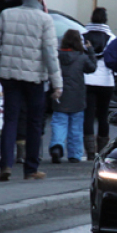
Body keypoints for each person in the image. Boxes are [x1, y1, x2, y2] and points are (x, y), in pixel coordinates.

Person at [0, 0, 62, 182]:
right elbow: (50, 53)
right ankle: (30, 169)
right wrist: (57, 83)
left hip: (9, 77)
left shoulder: (7, 14)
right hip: (34, 78)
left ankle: (6, 165)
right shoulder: (45, 20)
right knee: (35, 123)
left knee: (10, 120)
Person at [49, 29, 97, 163]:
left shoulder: (57, 56)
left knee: (59, 122)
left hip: (60, 95)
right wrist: (91, 51)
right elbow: (92, 68)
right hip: (77, 97)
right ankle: (75, 155)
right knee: (76, 126)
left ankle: (57, 147)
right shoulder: (81, 57)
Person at [82, 8, 117, 160]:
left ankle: (90, 152)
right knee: (103, 115)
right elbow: (114, 61)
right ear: (106, 19)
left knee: (88, 115)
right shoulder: (112, 38)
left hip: (87, 79)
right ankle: (102, 151)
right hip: (106, 81)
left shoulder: (82, 35)